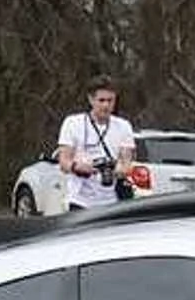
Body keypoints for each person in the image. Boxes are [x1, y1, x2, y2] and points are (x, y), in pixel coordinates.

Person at [55, 75, 136, 210]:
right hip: (80, 199)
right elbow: (64, 162)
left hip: (112, 201)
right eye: (101, 100)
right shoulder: (73, 123)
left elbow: (127, 164)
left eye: (110, 100)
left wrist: (115, 169)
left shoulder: (123, 126)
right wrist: (77, 167)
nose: (106, 105)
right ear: (91, 99)